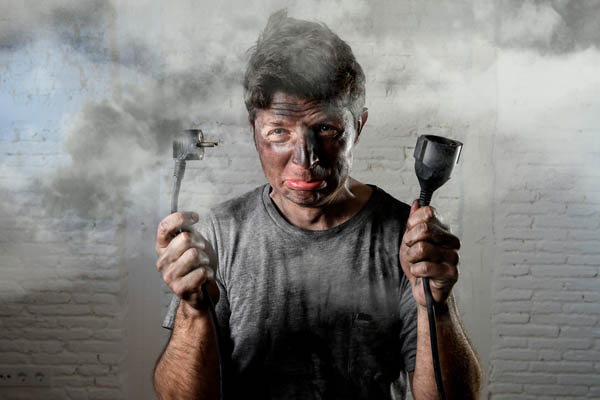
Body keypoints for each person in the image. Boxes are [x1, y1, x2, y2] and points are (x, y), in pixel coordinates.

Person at [153, 10, 482, 400]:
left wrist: (437, 307)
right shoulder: (219, 235)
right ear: (254, 131)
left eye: (325, 129)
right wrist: (193, 310)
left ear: (357, 127)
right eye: (279, 131)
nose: (304, 158)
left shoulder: (406, 237)